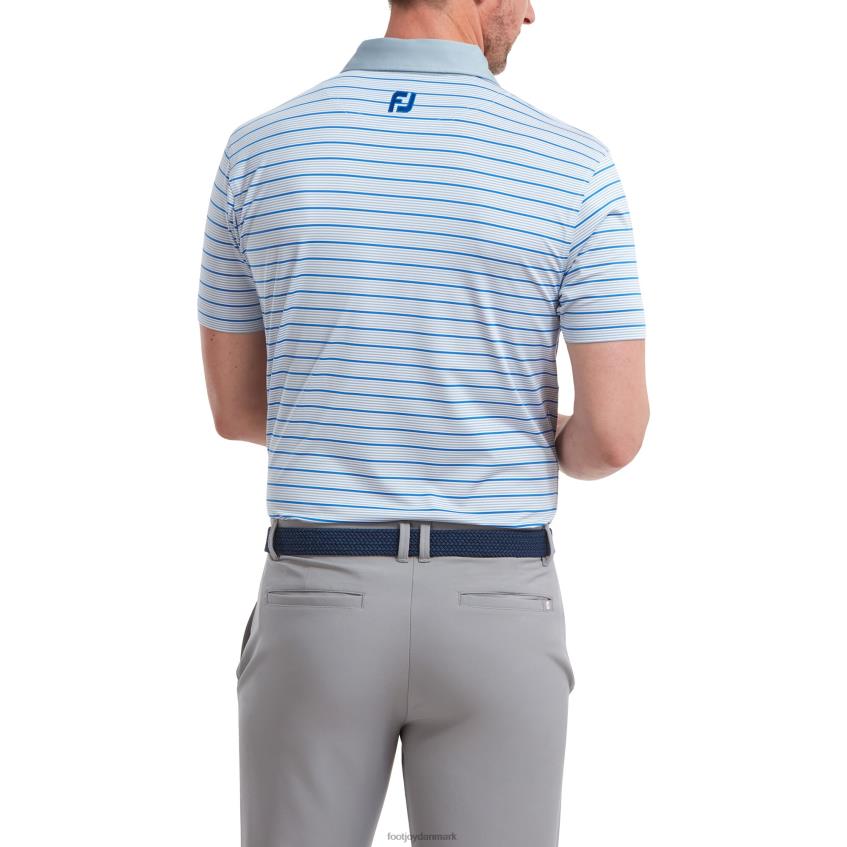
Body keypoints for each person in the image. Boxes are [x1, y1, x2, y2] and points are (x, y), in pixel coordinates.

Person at [197, 1, 649, 844]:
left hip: (318, 594)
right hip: (497, 597)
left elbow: (237, 411)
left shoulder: (260, 148)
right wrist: (506, 431)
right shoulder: (572, 165)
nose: (530, 12)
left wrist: (358, 426)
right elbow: (614, 435)